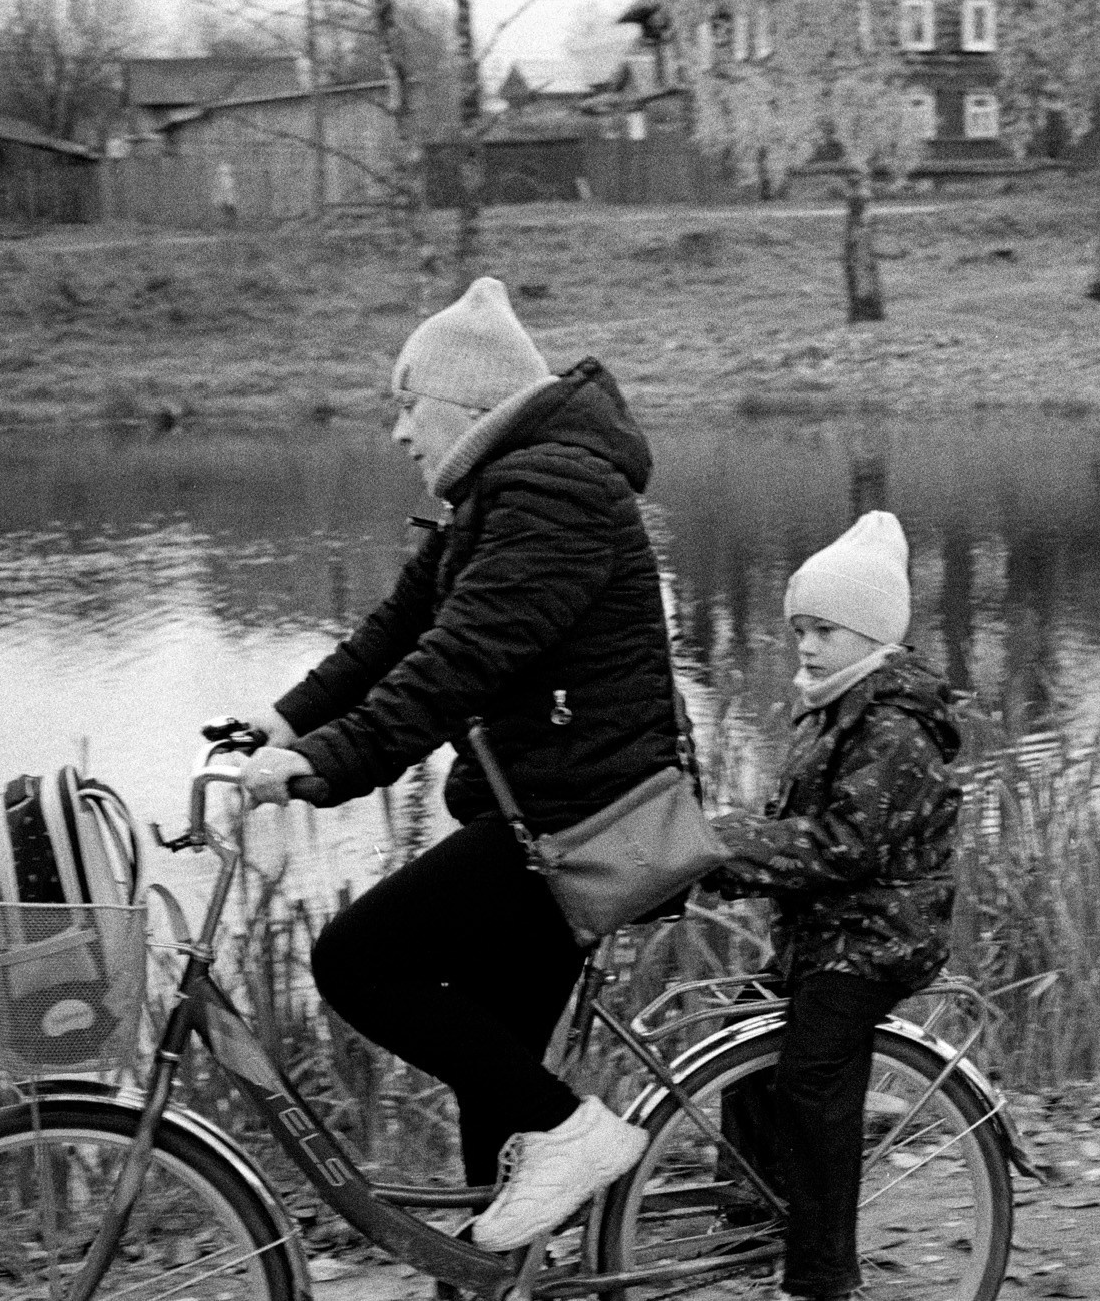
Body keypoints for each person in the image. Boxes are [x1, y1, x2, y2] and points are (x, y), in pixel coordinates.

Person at [234, 276, 670, 1252]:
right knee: (493, 1068)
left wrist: (323, 765)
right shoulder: (498, 495)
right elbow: (398, 631)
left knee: (354, 959)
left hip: (579, 818)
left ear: (468, 405)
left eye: (406, 405)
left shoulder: (552, 492)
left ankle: (577, 1133)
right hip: (541, 810)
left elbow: (457, 660)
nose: (398, 433)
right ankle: (500, 1256)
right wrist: (278, 721)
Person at [706, 511, 963, 1301]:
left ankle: (822, 1276)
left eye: (824, 630)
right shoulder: (833, 707)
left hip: (878, 938)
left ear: (875, 635)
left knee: (813, 1079)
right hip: (829, 930)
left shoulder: (893, 727)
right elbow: (806, 831)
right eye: (800, 631)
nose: (807, 647)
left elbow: (843, 846)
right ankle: (756, 1210)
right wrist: (725, 848)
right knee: (742, 1039)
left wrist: (732, 850)